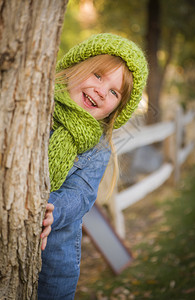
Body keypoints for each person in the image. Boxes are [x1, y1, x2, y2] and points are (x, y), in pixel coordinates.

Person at [38, 33, 148, 299]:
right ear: (77, 66)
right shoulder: (37, 109)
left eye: (113, 92)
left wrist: (54, 210)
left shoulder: (97, 147)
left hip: (54, 259)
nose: (101, 91)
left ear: (115, 110)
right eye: (98, 76)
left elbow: (82, 193)